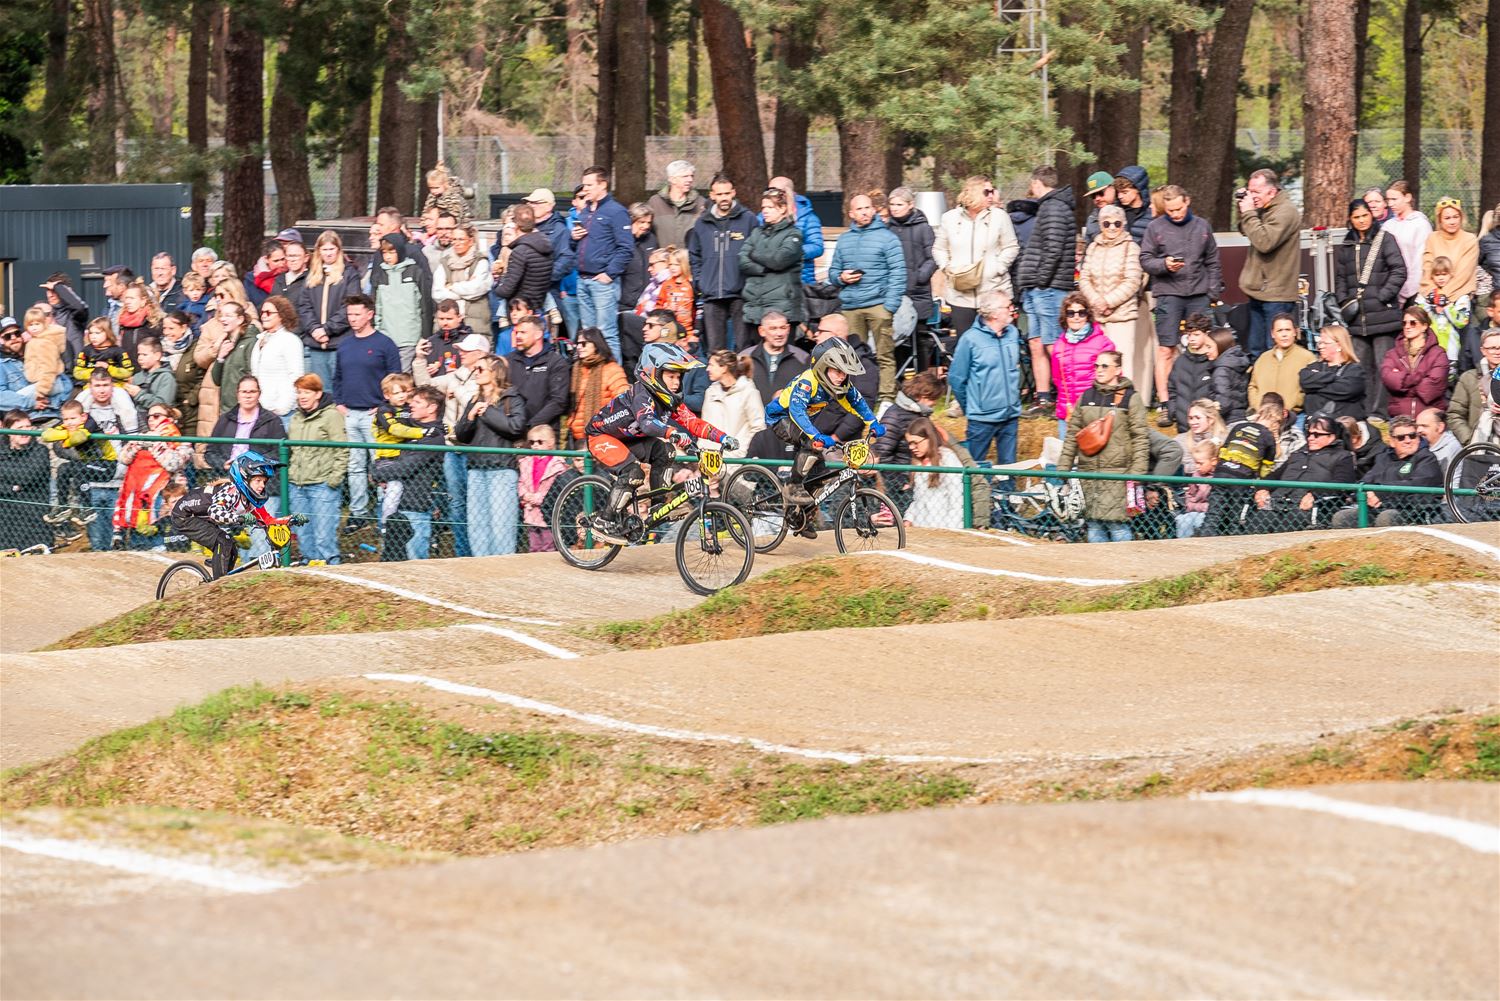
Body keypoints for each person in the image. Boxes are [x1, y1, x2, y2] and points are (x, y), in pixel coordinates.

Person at [583, 342, 738, 544]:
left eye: (678, 377)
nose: (676, 382)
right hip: (602, 437)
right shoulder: (642, 394)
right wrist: (672, 432)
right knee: (633, 473)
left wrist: (723, 437)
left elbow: (693, 423)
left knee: (666, 452)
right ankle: (605, 521)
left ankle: (658, 507)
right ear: (654, 374)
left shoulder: (668, 400)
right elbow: (647, 424)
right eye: (671, 376)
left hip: (630, 438)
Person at [763, 339, 884, 518]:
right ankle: (792, 486)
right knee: (812, 444)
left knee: (819, 476)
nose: (842, 376)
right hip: (781, 418)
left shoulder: (840, 384)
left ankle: (800, 518)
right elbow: (797, 412)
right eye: (838, 371)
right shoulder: (807, 382)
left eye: (845, 372)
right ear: (823, 367)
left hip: (804, 423)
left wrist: (873, 422)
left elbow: (857, 403)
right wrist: (816, 436)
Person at [1139, 184, 1223, 423]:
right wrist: (1164, 264)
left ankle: (1205, 402)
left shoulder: (1202, 226)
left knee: (1203, 345)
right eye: (1170, 210)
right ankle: (1166, 405)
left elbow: (1213, 261)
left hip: (1198, 293)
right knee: (1166, 349)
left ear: (1187, 201)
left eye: (1178, 209)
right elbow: (1145, 259)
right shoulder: (1155, 227)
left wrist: (1212, 292)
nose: (1175, 214)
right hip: (1168, 293)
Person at [1056, 350, 1150, 542]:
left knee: (1118, 526)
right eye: (1096, 366)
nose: (1099, 370)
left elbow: (1140, 437)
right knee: (1093, 525)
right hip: (1088, 473)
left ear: (1118, 370)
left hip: (1117, 475)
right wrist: (1063, 468)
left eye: (1105, 366)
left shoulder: (1131, 398)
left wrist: (1137, 473)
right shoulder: (1086, 396)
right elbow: (1072, 435)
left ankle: (1123, 562)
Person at [828, 193, 906, 406]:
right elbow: (833, 272)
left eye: (867, 208)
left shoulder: (888, 238)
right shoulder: (844, 239)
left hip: (879, 305)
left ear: (873, 210)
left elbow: (898, 272)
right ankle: (857, 396)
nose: (864, 212)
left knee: (884, 354)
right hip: (851, 307)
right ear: (851, 214)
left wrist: (889, 306)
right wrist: (841, 277)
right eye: (859, 209)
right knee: (851, 356)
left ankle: (886, 398)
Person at [333, 294, 402, 528]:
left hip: (376, 417)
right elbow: (337, 377)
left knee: (381, 464)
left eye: (357, 314)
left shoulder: (385, 344)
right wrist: (339, 403)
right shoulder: (344, 345)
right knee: (355, 466)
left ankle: (385, 514)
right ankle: (358, 512)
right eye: (349, 314)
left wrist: (383, 407)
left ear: (370, 314)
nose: (352, 318)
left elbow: (396, 379)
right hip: (350, 413)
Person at [1334, 197, 1408, 415]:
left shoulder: (1385, 239)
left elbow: (1399, 270)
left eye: (1365, 215)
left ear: (1372, 215)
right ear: (1350, 219)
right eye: (1356, 217)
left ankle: (1380, 413)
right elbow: (1341, 278)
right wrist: (1343, 301)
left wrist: (1382, 296)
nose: (1361, 220)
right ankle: (1363, 413)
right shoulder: (1347, 245)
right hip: (1357, 320)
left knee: (1384, 366)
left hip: (1384, 317)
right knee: (1360, 368)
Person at [1016, 166, 1076, 415]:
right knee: (1037, 343)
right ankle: (1043, 399)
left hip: (1049, 288)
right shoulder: (1048, 206)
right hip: (1037, 288)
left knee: (1053, 344)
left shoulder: (1054, 207)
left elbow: (1054, 249)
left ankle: (1066, 397)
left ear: (1036, 183)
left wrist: (1041, 280)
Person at [455, 354, 528, 557]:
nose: (476, 373)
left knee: (502, 526)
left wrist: (487, 412)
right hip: (476, 469)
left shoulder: (511, 397)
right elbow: (461, 435)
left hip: (501, 469)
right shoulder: (474, 400)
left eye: (480, 369)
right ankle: (480, 567)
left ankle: (502, 568)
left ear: (495, 372)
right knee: (476, 526)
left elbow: (516, 427)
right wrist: (470, 417)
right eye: (475, 369)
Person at [171, 452, 287, 578]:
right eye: (258, 481)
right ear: (245, 479)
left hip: (201, 516)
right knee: (223, 541)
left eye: (264, 481)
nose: (262, 486)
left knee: (232, 551)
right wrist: (238, 518)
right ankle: (217, 584)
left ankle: (222, 575)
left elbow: (268, 520)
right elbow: (214, 512)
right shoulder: (231, 492)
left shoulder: (250, 500)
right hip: (185, 516)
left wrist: (291, 520)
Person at [932, 176, 1020, 338]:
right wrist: (947, 268)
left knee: (996, 342)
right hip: (960, 295)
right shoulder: (949, 218)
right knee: (967, 342)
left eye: (992, 191)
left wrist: (998, 268)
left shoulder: (1000, 217)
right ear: (973, 192)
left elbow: (1011, 247)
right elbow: (939, 249)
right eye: (987, 192)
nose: (991, 195)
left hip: (993, 292)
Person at [1330, 415, 1444, 528]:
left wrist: (1380, 493)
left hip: (1412, 511)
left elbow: (1415, 486)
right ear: (1392, 441)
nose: (1408, 441)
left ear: (1418, 438)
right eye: (1401, 437)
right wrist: (1368, 494)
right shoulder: (1384, 457)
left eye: (1412, 436)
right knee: (1342, 518)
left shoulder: (1427, 458)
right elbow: (1367, 480)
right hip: (1379, 508)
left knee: (1386, 518)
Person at [1248, 414, 1357, 532]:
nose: (1310, 438)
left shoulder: (1343, 456)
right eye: (1309, 434)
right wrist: (1262, 488)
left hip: (1310, 508)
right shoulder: (1298, 454)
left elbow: (1343, 484)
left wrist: (1315, 494)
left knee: (1290, 523)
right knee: (1257, 522)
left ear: (1332, 437)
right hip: (1277, 503)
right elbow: (1275, 476)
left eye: (1317, 435)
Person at [1078, 204, 1147, 389]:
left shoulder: (1131, 248)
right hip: (1097, 315)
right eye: (1106, 223)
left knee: (1122, 363)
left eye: (1117, 223)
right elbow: (1084, 278)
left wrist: (1108, 302)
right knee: (1099, 363)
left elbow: (1132, 281)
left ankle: (1124, 401)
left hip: (1122, 316)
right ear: (1100, 225)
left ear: (1123, 224)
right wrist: (1096, 301)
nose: (1112, 227)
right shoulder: (1093, 247)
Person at [948, 293, 1022, 465]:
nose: (1012, 309)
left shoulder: (1012, 333)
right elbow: (957, 378)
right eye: (1008, 306)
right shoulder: (970, 339)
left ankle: (1007, 486)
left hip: (1010, 416)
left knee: (1009, 469)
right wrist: (972, 407)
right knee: (975, 469)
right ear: (994, 314)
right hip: (981, 420)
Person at [686, 174, 755, 353]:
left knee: (744, 348)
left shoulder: (748, 219)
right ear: (712, 195)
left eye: (727, 193)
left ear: (733, 193)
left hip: (740, 292)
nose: (724, 198)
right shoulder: (702, 223)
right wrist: (700, 281)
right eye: (719, 194)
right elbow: (694, 255)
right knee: (715, 351)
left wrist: (749, 282)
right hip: (711, 293)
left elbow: (757, 252)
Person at [1235, 168, 1300, 358]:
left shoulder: (1286, 211)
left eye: (1256, 191)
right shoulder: (1264, 208)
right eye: (1250, 191)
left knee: (1276, 350)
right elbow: (1246, 230)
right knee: (1256, 351)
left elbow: (1264, 242)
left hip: (1277, 295)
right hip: (1260, 291)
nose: (1252, 196)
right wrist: (1245, 210)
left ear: (1272, 192)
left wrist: (1249, 212)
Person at [572, 166, 635, 360]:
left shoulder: (616, 212)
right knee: (588, 335)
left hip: (603, 283)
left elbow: (626, 248)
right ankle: (593, 374)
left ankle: (615, 375)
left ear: (603, 185)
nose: (585, 189)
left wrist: (609, 274)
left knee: (606, 333)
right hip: (582, 280)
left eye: (589, 185)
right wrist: (573, 238)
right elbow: (575, 246)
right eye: (584, 185)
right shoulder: (584, 213)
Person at [285, 373, 346, 564]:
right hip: (297, 485)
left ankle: (331, 569)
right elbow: (291, 450)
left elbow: (343, 449)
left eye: (307, 392)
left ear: (318, 394)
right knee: (304, 535)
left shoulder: (332, 416)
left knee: (324, 537)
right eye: (299, 392)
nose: (302, 396)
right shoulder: (296, 418)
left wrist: (334, 479)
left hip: (322, 485)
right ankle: (308, 567)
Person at [113, 405, 191, 543]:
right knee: (138, 536)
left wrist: (154, 443)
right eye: (148, 417)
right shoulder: (142, 437)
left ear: (169, 419)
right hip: (136, 495)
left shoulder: (181, 442)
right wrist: (139, 443)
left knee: (159, 535)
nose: (151, 419)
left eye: (156, 416)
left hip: (164, 495)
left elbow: (174, 464)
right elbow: (123, 458)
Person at [1203, 400, 1282, 536]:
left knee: (1213, 514)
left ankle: (1204, 538)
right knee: (1235, 516)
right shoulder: (1269, 436)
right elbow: (1266, 469)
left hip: (1221, 473)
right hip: (1241, 478)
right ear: (1276, 423)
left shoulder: (1239, 426)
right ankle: (1232, 541)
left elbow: (1223, 450)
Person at [739, 187, 806, 342]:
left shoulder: (793, 234)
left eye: (770, 207)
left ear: (782, 209)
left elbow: (779, 260)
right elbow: (742, 261)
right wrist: (764, 268)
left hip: (782, 308)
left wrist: (755, 254)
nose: (765, 211)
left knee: (784, 353)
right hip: (755, 307)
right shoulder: (756, 233)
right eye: (763, 207)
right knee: (755, 354)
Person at [299, 231, 361, 385]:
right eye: (324, 249)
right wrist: (315, 329)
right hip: (315, 344)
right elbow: (304, 306)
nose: (328, 253)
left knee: (340, 387)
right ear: (318, 251)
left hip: (340, 342)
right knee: (319, 389)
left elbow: (350, 305)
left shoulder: (349, 274)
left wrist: (327, 329)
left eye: (331, 249)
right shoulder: (312, 275)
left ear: (338, 250)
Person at [1050, 294, 1116, 433]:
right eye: (1071, 313)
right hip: (1068, 412)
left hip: (1095, 411)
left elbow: (1113, 378)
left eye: (1081, 312)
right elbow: (1057, 379)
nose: (1076, 317)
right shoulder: (1058, 346)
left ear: (1088, 315)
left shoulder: (1103, 343)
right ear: (1065, 317)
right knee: (1066, 446)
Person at [368, 236, 428, 372]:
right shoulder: (379, 275)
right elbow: (376, 307)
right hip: (385, 338)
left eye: (392, 252)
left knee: (402, 378)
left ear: (400, 251)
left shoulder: (415, 272)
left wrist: (424, 336)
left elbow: (424, 306)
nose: (388, 256)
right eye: (384, 252)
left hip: (410, 338)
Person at [205, 375, 286, 473]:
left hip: (260, 475)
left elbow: (280, 452)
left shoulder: (272, 420)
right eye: (244, 392)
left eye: (252, 391)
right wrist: (223, 464)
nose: (248, 396)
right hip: (228, 475)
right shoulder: (225, 419)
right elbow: (210, 452)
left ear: (259, 394)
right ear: (238, 394)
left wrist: (256, 463)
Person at [507, 317, 571, 437]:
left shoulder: (556, 362)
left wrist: (531, 426)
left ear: (538, 334)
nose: (518, 336)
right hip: (513, 432)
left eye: (523, 332)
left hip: (544, 434)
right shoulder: (509, 360)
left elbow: (558, 401)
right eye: (516, 332)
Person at [1381, 307, 1449, 419]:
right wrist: (1420, 377)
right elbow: (1389, 380)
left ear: (1424, 326)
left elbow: (1431, 390)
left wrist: (1403, 382)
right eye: (1404, 323)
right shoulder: (1392, 354)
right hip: (1400, 418)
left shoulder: (1438, 353)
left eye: (1413, 323)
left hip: (1429, 418)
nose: (1407, 326)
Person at [567, 327, 629, 447]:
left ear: (596, 345)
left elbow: (624, 403)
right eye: (577, 344)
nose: (579, 347)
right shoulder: (576, 369)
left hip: (602, 438)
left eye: (583, 344)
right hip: (576, 438)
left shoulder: (612, 370)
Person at [0, 410, 52, 552]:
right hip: (6, 521)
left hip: (35, 519)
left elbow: (25, 476)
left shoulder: (40, 451)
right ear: (8, 431)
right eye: (19, 428)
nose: (25, 431)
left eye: (28, 427)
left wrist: (5, 482)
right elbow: (19, 477)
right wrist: (12, 488)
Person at [250, 296, 305, 429]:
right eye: (262, 312)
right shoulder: (259, 341)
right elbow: (255, 374)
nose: (264, 316)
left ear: (281, 315)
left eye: (268, 312)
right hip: (261, 411)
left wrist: (282, 408)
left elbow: (296, 377)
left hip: (282, 414)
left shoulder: (290, 340)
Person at [901, 416, 965, 530]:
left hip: (943, 526)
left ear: (929, 439)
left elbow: (956, 498)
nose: (911, 447)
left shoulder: (947, 458)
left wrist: (952, 529)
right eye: (909, 443)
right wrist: (909, 518)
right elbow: (918, 498)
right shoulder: (917, 463)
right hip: (921, 527)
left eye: (915, 443)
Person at [433, 222, 494, 340]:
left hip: (476, 323)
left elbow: (476, 289)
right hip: (447, 326)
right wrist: (464, 289)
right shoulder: (444, 263)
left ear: (470, 241)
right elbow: (437, 293)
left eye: (461, 239)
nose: (457, 243)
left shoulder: (481, 262)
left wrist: (452, 286)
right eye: (454, 239)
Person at [700, 350, 765, 459]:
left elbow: (758, 427)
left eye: (711, 365)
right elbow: (704, 425)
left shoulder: (749, 392)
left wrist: (740, 451)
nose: (707, 369)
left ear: (724, 368)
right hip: (708, 460)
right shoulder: (710, 392)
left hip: (736, 462)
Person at [1248, 313, 1315, 414]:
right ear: (1272, 334)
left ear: (1295, 332)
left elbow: (1311, 389)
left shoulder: (1307, 358)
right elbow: (1253, 386)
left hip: (1294, 416)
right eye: (1279, 330)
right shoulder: (1263, 358)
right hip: (1262, 416)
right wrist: (1258, 406)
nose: (1284, 334)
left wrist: (1293, 404)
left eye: (1288, 330)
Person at [766, 176, 826, 285]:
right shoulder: (764, 216)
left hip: (800, 281)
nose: (769, 195)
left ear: (788, 193)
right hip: (771, 281)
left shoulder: (808, 217)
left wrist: (791, 252)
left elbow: (817, 247)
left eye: (774, 191)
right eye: (768, 191)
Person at [1299, 325, 1367, 420]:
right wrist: (1334, 378)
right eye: (1320, 342)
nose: (1320, 346)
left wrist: (1315, 387)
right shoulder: (1314, 366)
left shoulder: (1355, 370)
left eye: (1325, 343)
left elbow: (1347, 390)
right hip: (1314, 425)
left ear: (1339, 345)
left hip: (1343, 426)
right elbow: (1305, 381)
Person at [1382, 180, 1432, 305]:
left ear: (1407, 197)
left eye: (1394, 199)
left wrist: (1406, 293)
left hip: (1414, 293)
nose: (1390, 204)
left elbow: (1419, 262)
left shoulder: (1420, 225)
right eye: (1388, 200)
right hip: (1390, 290)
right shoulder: (1387, 226)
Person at [1448, 324, 1500, 443]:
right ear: (1483, 351)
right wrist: (1470, 440)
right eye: (1492, 348)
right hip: (1478, 447)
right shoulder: (1469, 378)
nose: (1497, 352)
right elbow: (1454, 414)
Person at [519, 424, 566, 552]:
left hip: (548, 513)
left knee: (548, 546)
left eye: (540, 442)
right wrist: (525, 495)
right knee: (534, 546)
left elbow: (555, 488)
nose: (535, 445)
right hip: (531, 512)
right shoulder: (526, 462)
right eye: (532, 442)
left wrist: (538, 498)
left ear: (550, 443)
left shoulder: (557, 465)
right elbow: (521, 482)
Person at [1420, 256, 1473, 368]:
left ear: (1451, 274)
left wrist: (1447, 306)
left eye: (1444, 274)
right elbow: (1418, 316)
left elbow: (1462, 321)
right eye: (1437, 275)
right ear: (1432, 276)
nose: (1441, 278)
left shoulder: (1460, 296)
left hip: (1450, 350)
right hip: (1429, 349)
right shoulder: (1426, 294)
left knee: (1449, 377)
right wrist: (1429, 304)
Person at [210, 300, 258, 415]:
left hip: (245, 410)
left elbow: (255, 377)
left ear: (240, 319)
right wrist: (220, 358)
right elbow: (216, 380)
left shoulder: (251, 342)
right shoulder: (225, 343)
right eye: (221, 315)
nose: (222, 319)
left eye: (228, 315)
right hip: (226, 410)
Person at [646, 160, 704, 252]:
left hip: (689, 258)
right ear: (672, 179)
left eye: (691, 176)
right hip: (662, 258)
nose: (690, 180)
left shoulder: (701, 203)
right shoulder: (654, 202)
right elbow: (646, 234)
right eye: (685, 176)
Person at [123, 335, 178, 415]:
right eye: (139, 354)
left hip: (156, 419)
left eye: (144, 355)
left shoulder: (166, 377)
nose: (140, 358)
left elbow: (165, 406)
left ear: (157, 356)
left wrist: (139, 395)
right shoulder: (137, 377)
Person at [1175, 439, 1219, 538]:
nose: (1197, 466)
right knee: (1183, 520)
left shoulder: (1219, 476)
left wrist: (1204, 508)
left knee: (1200, 520)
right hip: (1194, 511)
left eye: (1200, 463)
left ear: (1213, 461)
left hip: (1210, 514)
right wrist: (1197, 507)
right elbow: (1190, 497)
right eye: (1195, 463)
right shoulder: (1196, 475)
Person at [74, 317, 134, 387]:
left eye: (97, 333)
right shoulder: (86, 351)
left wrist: (109, 368)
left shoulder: (118, 351)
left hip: (115, 387)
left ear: (107, 333)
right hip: (92, 388)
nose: (93, 336)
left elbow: (128, 372)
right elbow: (77, 373)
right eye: (91, 333)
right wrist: (94, 371)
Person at [1208, 326, 1251, 423]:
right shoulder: (1235, 362)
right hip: (1241, 415)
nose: (1207, 351)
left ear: (1220, 345)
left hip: (1227, 421)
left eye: (1209, 347)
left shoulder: (1221, 370)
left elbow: (1223, 403)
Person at [115, 282, 162, 367]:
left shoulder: (154, 322)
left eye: (132, 298)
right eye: (126, 298)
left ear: (143, 301)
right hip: (126, 370)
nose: (128, 302)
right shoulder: (122, 321)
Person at [1081, 171, 1117, 242]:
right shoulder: (1092, 219)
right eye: (1093, 195)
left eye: (1101, 193)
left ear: (1113, 188)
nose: (1097, 198)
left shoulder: (1127, 212)